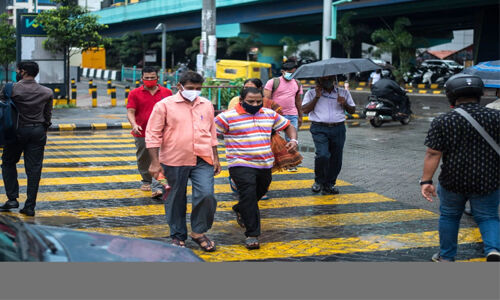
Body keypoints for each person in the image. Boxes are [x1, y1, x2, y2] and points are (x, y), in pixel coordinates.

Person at [420, 74, 499, 262]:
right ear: (479, 94)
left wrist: (426, 181)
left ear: (451, 95)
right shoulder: (497, 117)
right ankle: (493, 249)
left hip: (453, 180)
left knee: (449, 217)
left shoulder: (443, 121)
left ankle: (447, 257)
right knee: (488, 217)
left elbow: (433, 153)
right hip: (488, 179)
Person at [146, 71, 221, 252]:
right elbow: (152, 134)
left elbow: (211, 133)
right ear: (179, 86)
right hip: (172, 160)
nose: (194, 91)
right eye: (190, 88)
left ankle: (198, 231)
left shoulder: (206, 105)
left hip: (203, 158)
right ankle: (178, 235)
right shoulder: (164, 106)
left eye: (198, 88)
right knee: (174, 198)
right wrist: (154, 162)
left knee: (207, 195)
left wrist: (216, 157)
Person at [215, 87, 297, 249]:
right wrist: (214, 158)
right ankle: (252, 234)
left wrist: (293, 140)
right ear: (241, 101)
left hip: (265, 163)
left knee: (258, 192)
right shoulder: (227, 117)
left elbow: (288, 125)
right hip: (240, 163)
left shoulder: (269, 113)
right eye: (250, 101)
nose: (255, 104)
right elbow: (210, 135)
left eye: (258, 101)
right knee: (249, 194)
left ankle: (240, 208)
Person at [0, 61, 53, 217]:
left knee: (8, 162)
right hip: (37, 131)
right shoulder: (47, 92)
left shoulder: (11, 88)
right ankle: (30, 206)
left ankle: (12, 199)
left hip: (15, 132)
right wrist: (43, 128)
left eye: (18, 70)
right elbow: (48, 115)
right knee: (34, 169)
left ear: (22, 72)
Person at [302, 75, 355, 195]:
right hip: (319, 128)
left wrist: (344, 103)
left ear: (334, 79)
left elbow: (352, 110)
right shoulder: (311, 93)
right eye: (323, 79)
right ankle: (319, 181)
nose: (327, 81)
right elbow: (305, 110)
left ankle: (329, 184)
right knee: (323, 155)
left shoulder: (343, 93)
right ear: (318, 80)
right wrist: (317, 97)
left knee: (336, 158)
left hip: (338, 128)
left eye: (329, 78)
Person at [127, 66, 172, 199]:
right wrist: (134, 124)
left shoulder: (167, 92)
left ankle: (159, 185)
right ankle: (146, 180)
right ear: (142, 79)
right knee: (143, 158)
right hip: (142, 131)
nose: (149, 80)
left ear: (158, 78)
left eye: (152, 78)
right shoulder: (134, 93)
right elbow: (130, 111)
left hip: (163, 131)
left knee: (161, 158)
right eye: (147, 78)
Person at [263, 61, 303, 172]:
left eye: (294, 73)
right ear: (282, 72)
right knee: (274, 139)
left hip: (292, 114)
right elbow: (266, 100)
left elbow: (298, 101)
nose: (291, 75)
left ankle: (291, 163)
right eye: (289, 72)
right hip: (276, 116)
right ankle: (274, 160)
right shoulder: (273, 82)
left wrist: (300, 115)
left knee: (292, 139)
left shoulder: (297, 83)